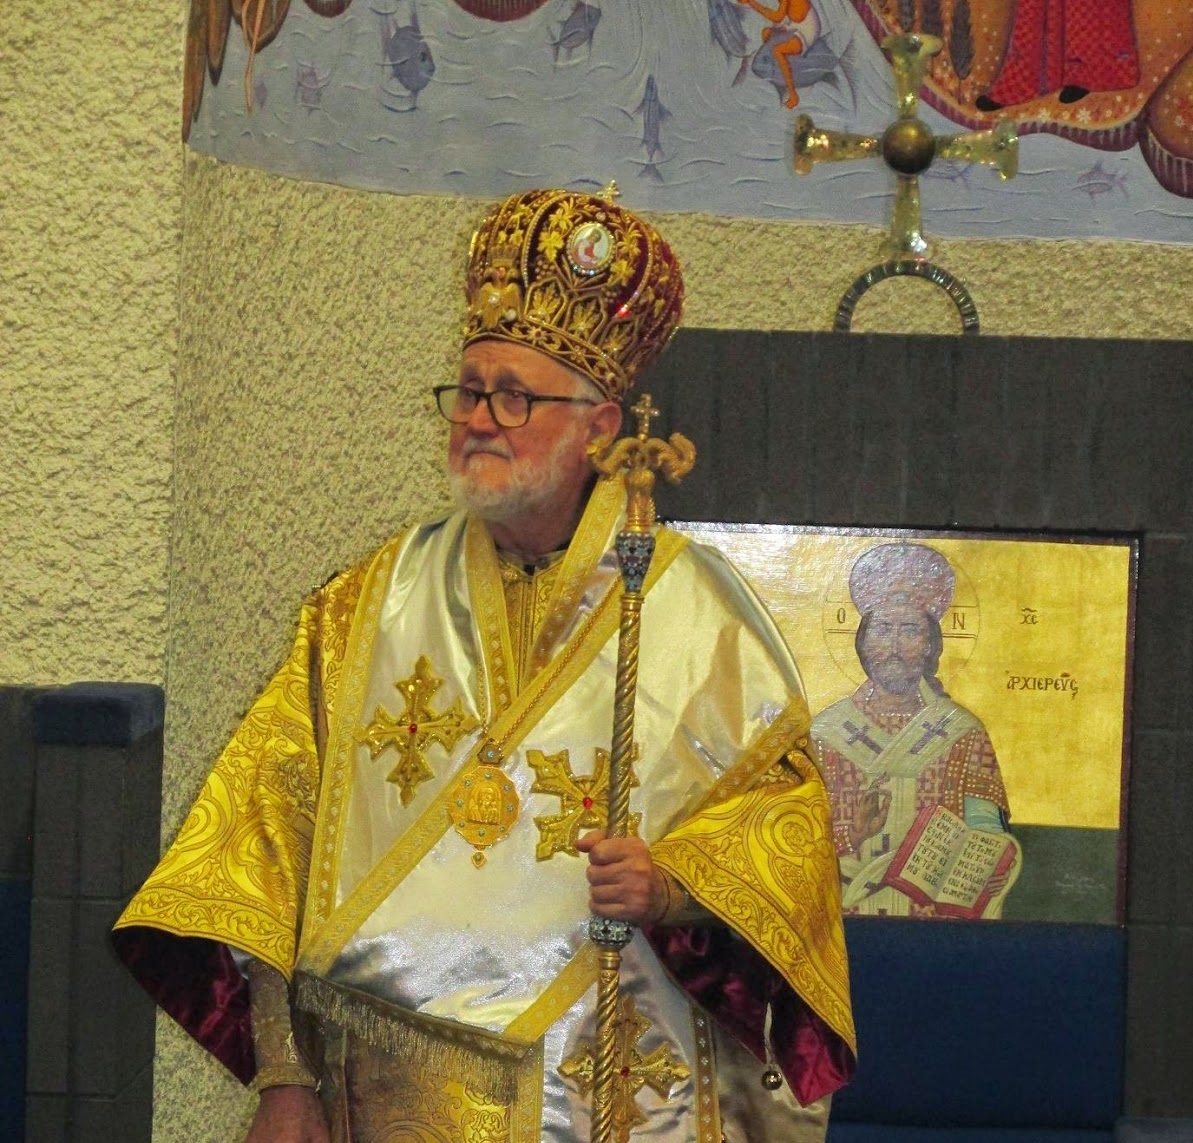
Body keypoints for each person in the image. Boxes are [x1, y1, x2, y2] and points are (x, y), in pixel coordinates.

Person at [112, 185, 856, 1143]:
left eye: (514, 395)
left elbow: (785, 834)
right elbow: (265, 841)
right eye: (467, 390)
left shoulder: (693, 611)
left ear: (599, 424)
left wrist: (671, 884)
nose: (478, 417)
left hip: (608, 1084)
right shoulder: (366, 604)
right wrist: (284, 1075)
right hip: (382, 1093)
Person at [812, 542, 1014, 918]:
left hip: (932, 915)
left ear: (929, 645)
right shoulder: (826, 734)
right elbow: (802, 840)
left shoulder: (962, 732)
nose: (894, 645)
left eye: (909, 630)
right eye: (882, 629)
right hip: (844, 913)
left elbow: (984, 829)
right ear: (863, 642)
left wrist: (986, 863)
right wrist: (854, 833)